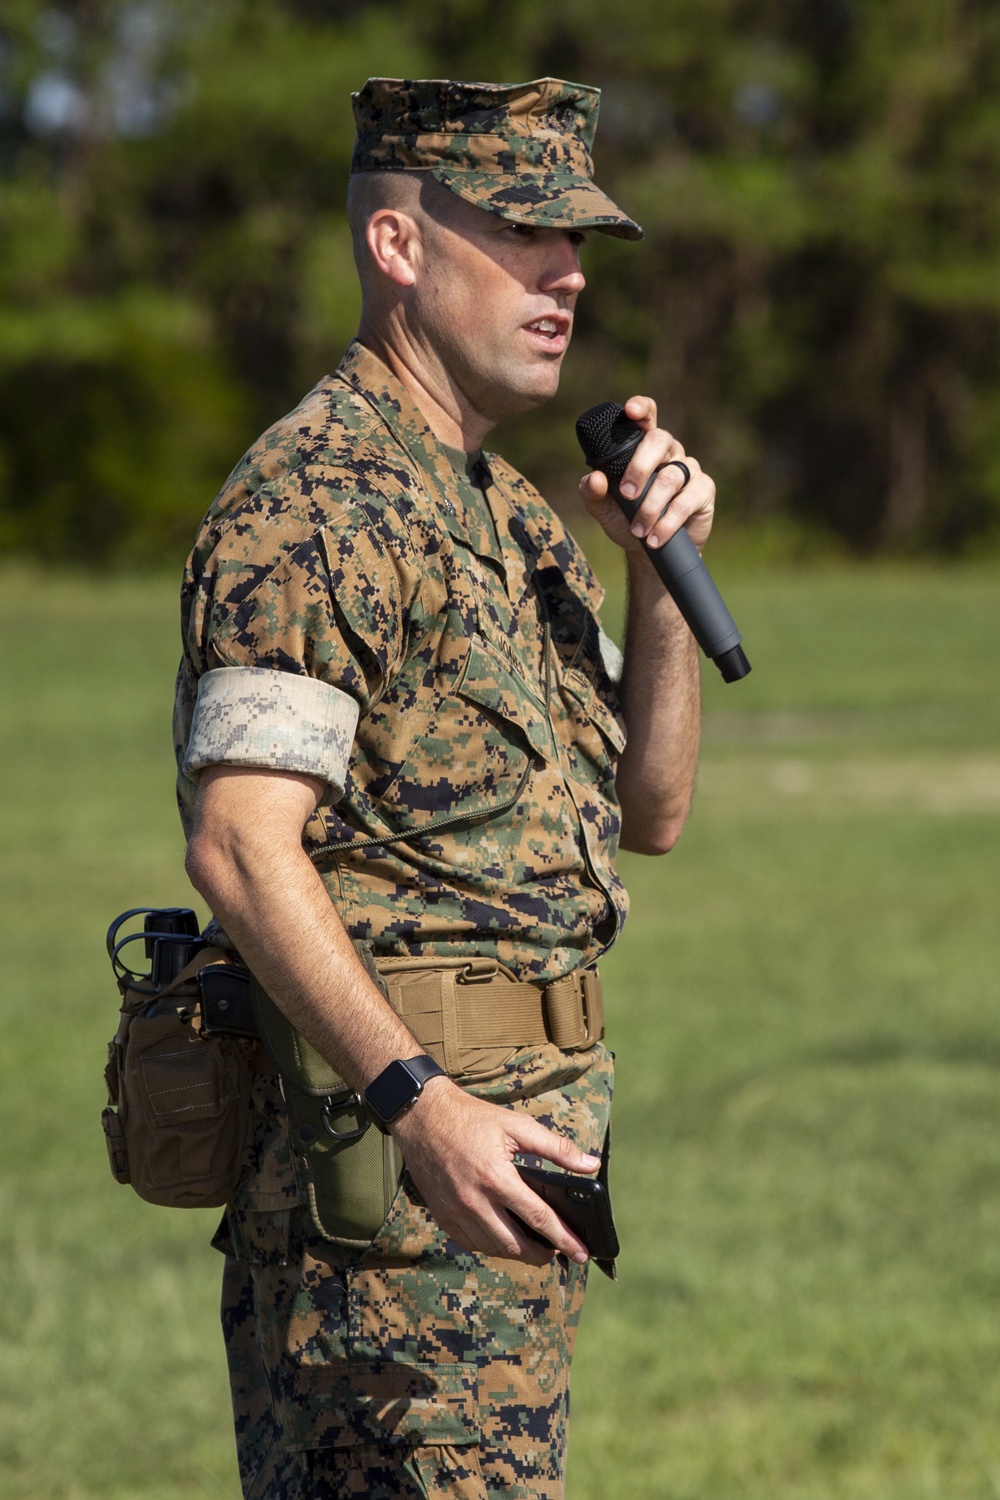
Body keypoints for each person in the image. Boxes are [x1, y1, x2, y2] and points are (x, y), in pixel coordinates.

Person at [173, 75, 714, 1500]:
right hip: (387, 1190)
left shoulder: (507, 509)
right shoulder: (316, 499)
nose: (570, 272)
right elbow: (237, 844)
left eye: (579, 243)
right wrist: (419, 1102)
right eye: (525, 232)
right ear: (399, 249)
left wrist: (658, 582)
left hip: (514, 1174)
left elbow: (649, 812)